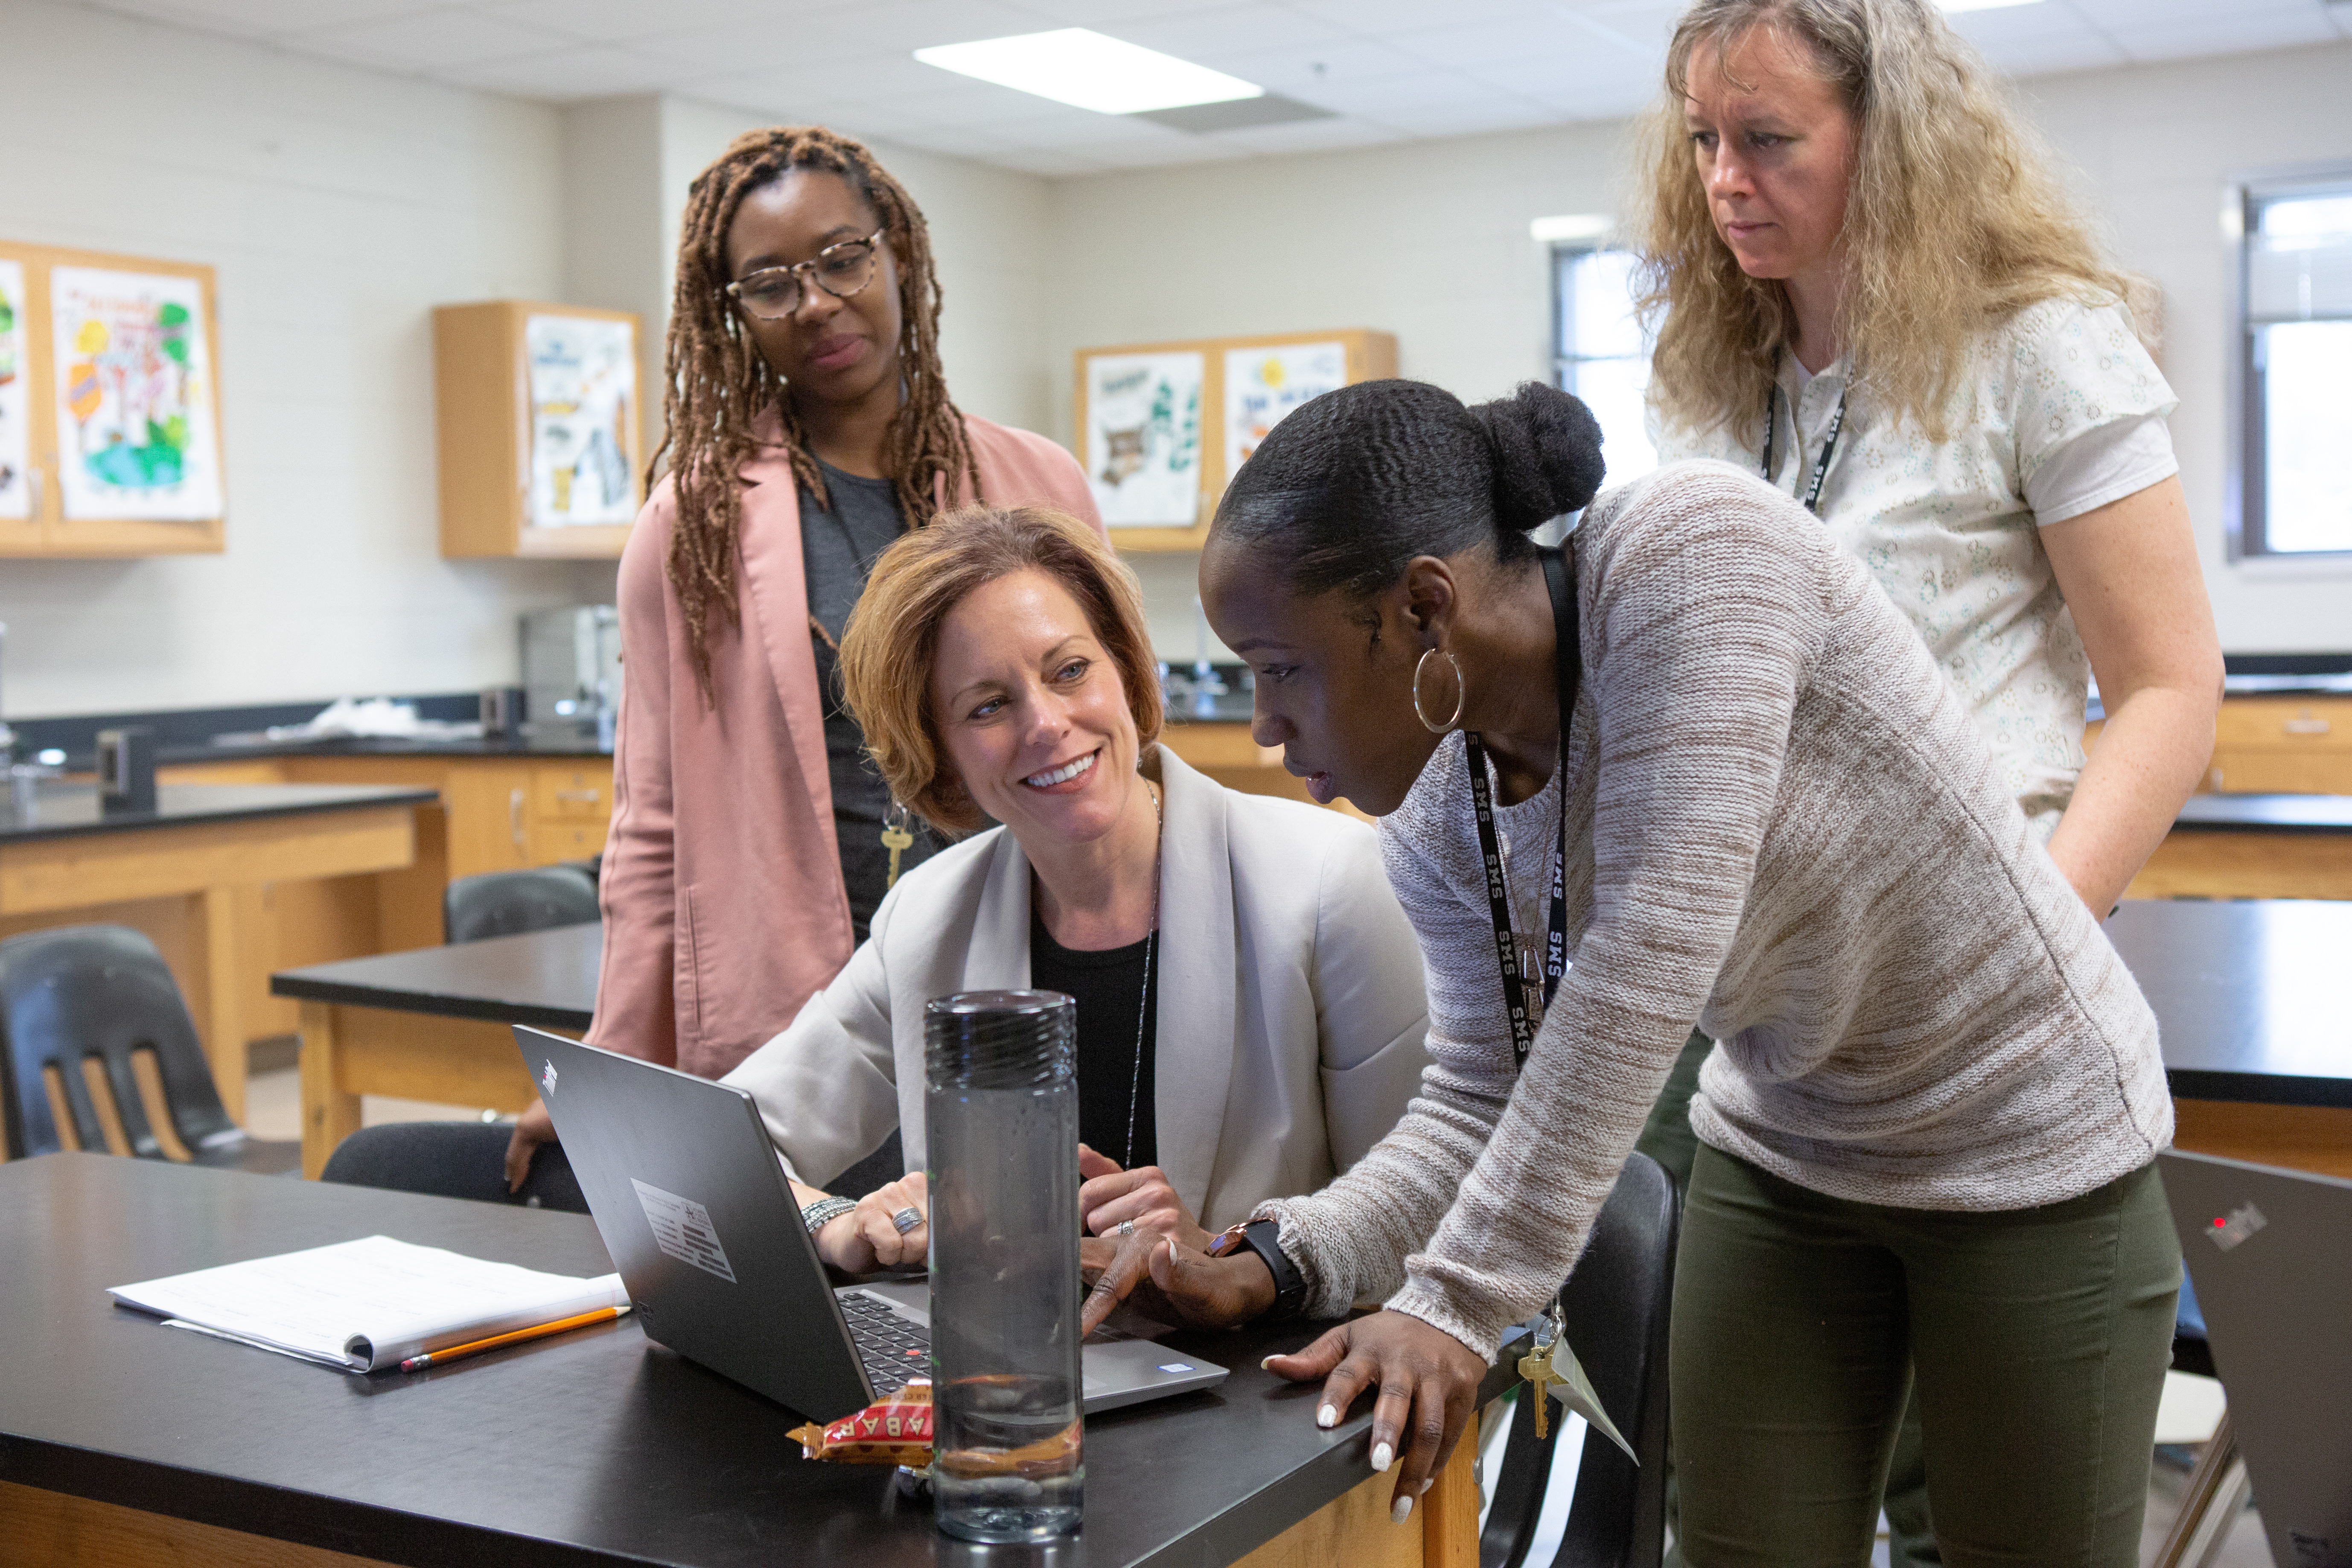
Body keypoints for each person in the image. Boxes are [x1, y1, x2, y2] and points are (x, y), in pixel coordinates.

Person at [1084, 377, 2179, 1565]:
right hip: (1793, 1147)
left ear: (1422, 607)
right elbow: (1477, 1100)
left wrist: (1452, 1302)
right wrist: (1274, 1258)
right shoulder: (1443, 817)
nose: (1261, 725)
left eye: (1279, 666)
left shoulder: (1694, 556)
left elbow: (1649, 954)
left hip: (2027, 1135)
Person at [1629, 3, 2222, 1552]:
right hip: (1781, 1076)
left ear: (1885, 143)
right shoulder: (1709, 371)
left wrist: (2037, 921)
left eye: (1768, 140)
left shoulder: (2035, 341)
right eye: (1702, 139)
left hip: (2006, 1081)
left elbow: (2167, 688)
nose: (1723, 180)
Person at [496, 127, 1103, 1197]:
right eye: (769, 283)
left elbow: (1113, 739)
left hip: (1021, 963)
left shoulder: (1034, 481)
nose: (815, 302)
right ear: (731, 311)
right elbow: (651, 824)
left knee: (1032, 1273)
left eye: (841, 258)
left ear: (899, 256)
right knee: (845, 1296)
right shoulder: (692, 527)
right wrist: (613, 1064)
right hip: (808, 1003)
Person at [719, 504, 1432, 1274]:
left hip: (1266, 1381)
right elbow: (723, 1142)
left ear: (1125, 669)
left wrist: (1238, 1255)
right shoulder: (928, 919)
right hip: (1005, 1380)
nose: (1047, 723)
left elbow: (1425, 1210)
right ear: (941, 751)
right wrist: (834, 1223)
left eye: (1069, 670)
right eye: (987, 706)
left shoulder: (1333, 882)